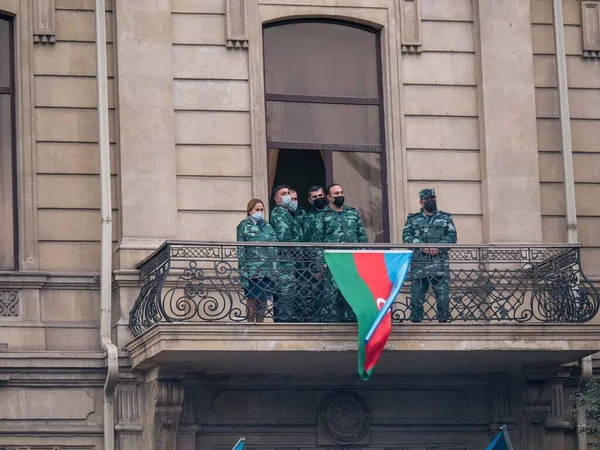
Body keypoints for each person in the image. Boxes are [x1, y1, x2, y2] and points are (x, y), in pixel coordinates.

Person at [313, 184, 369, 322]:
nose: (340, 195)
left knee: (352, 296)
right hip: (332, 264)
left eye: (341, 192)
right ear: (329, 197)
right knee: (330, 297)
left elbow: (363, 238)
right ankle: (329, 327)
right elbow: (317, 242)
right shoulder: (322, 216)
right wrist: (321, 263)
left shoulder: (352, 212)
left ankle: (352, 324)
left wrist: (364, 258)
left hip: (352, 263)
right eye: (336, 193)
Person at [402, 188, 457, 323]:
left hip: (440, 266)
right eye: (427, 198)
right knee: (416, 299)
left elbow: (452, 236)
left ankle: (443, 328)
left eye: (433, 197)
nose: (431, 200)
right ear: (421, 202)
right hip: (419, 266)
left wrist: (438, 246)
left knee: (443, 299)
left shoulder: (446, 218)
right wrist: (422, 246)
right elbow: (406, 236)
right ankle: (415, 329)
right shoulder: (412, 220)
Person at [236, 199, 278, 322]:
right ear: (250, 211)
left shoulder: (267, 225)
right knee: (252, 298)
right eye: (257, 210)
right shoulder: (243, 225)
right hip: (253, 270)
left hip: (267, 270)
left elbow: (274, 244)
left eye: (261, 210)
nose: (259, 212)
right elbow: (241, 250)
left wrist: (275, 268)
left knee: (263, 299)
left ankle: (260, 327)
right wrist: (243, 272)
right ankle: (250, 326)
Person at [270, 185, 303, 322]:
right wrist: (298, 249)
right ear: (277, 199)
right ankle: (285, 320)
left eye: (288, 193)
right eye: (283, 194)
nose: (287, 196)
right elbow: (284, 238)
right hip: (284, 262)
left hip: (289, 261)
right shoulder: (279, 213)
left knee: (290, 294)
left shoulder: (287, 213)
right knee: (285, 295)